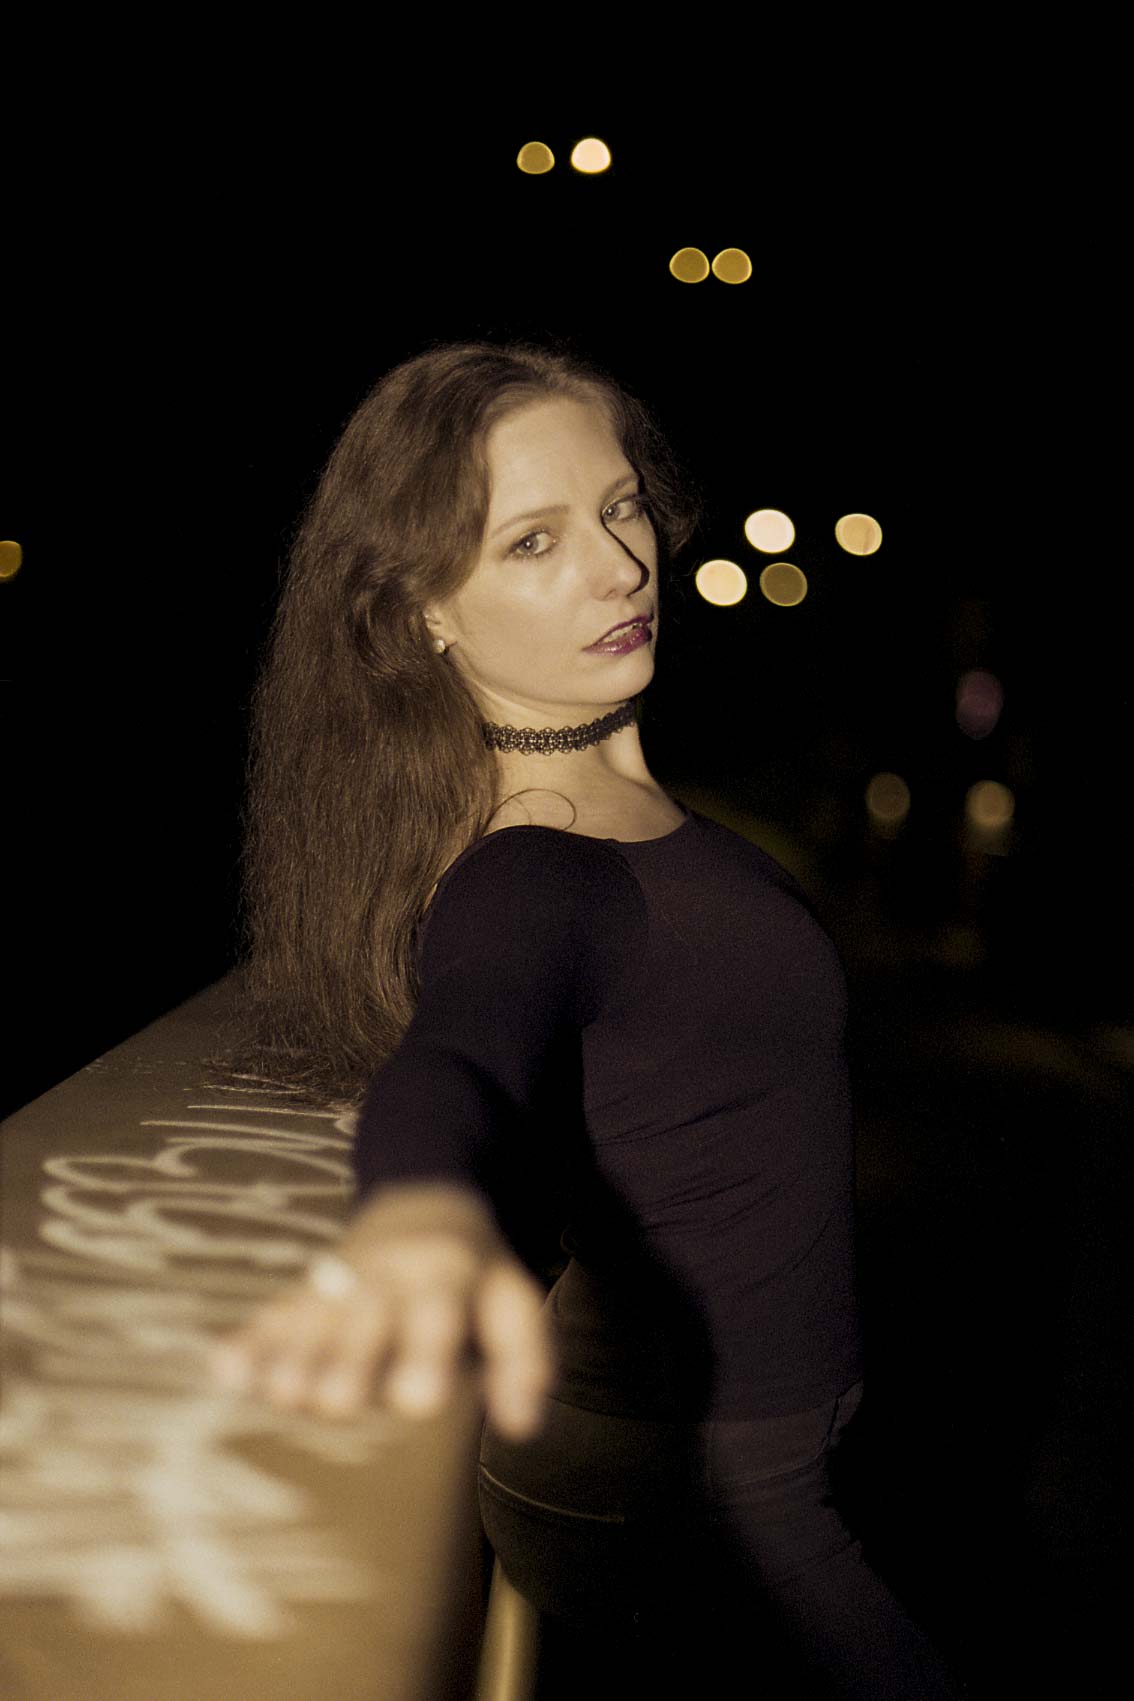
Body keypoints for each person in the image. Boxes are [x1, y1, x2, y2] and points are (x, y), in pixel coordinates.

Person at [209, 337, 968, 1697]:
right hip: (700, 1494)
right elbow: (462, 1050)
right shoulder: (534, 868)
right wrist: (416, 1211)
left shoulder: (628, 813)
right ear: (422, 614)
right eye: (533, 542)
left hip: (755, 1453)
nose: (619, 566)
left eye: (621, 508)